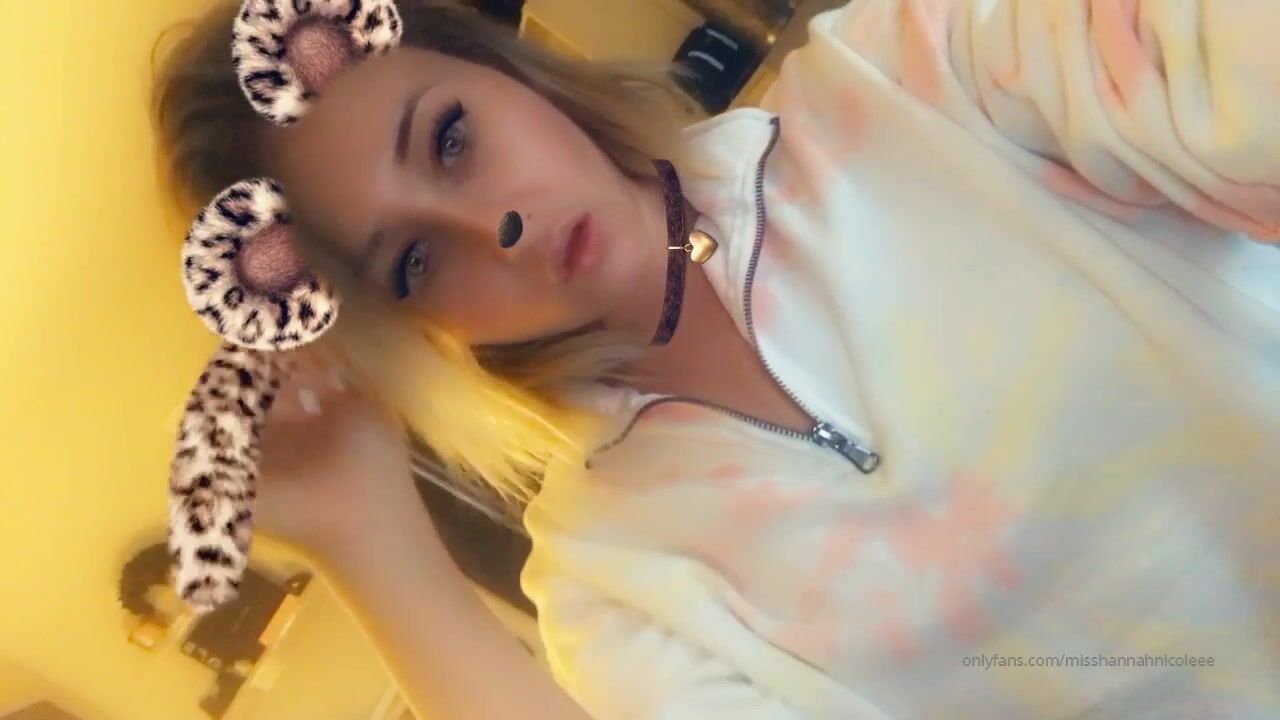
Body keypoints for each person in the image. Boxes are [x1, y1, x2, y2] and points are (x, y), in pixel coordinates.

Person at [152, 1, 1280, 718]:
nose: (493, 227)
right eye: (411, 263)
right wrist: (366, 540)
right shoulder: (612, 579)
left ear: (505, 70)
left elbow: (1215, 64)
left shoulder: (909, 79)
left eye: (451, 139)